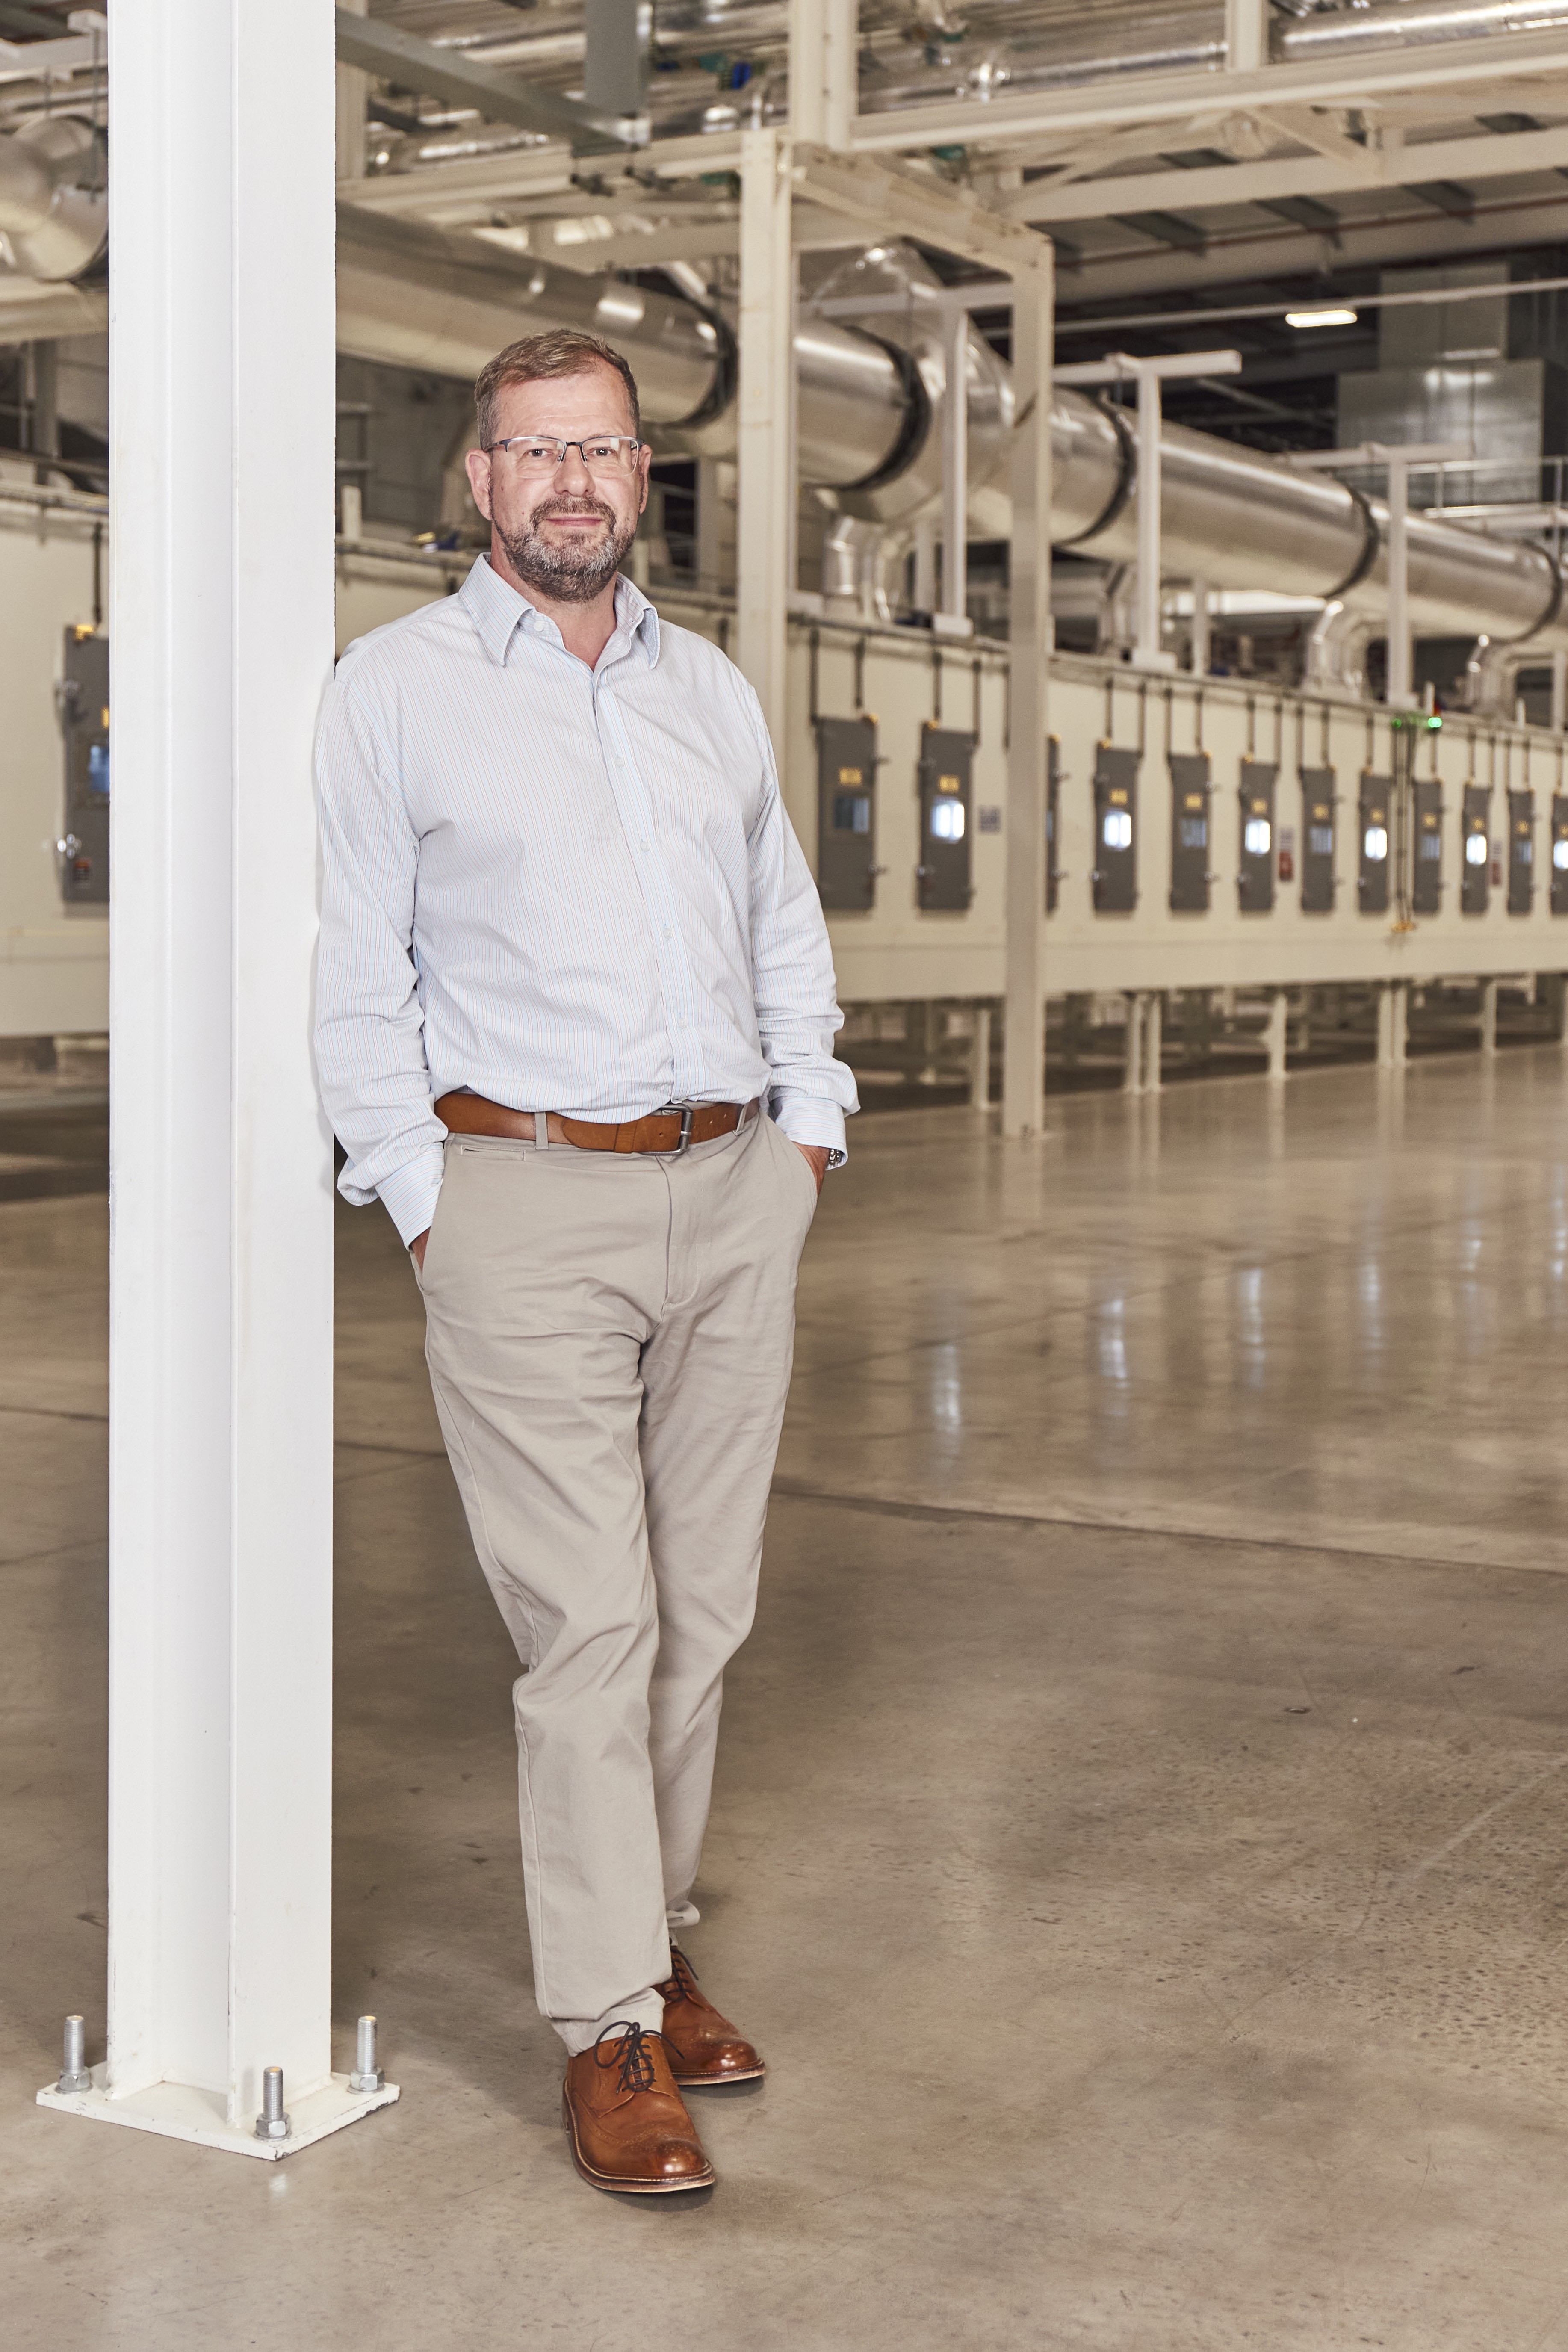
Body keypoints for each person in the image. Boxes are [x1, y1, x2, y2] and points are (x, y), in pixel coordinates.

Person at [314, 327, 856, 2195]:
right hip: (521, 1194)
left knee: (702, 1613)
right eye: (532, 452)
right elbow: (351, 963)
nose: (568, 483)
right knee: (590, 1625)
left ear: (644, 479)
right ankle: (606, 2020)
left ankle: (652, 1930)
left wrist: (809, 1128)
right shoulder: (390, 691)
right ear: (475, 478)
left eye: (601, 452)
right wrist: (421, 1188)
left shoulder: (707, 691)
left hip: (729, 1188)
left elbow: (776, 910)